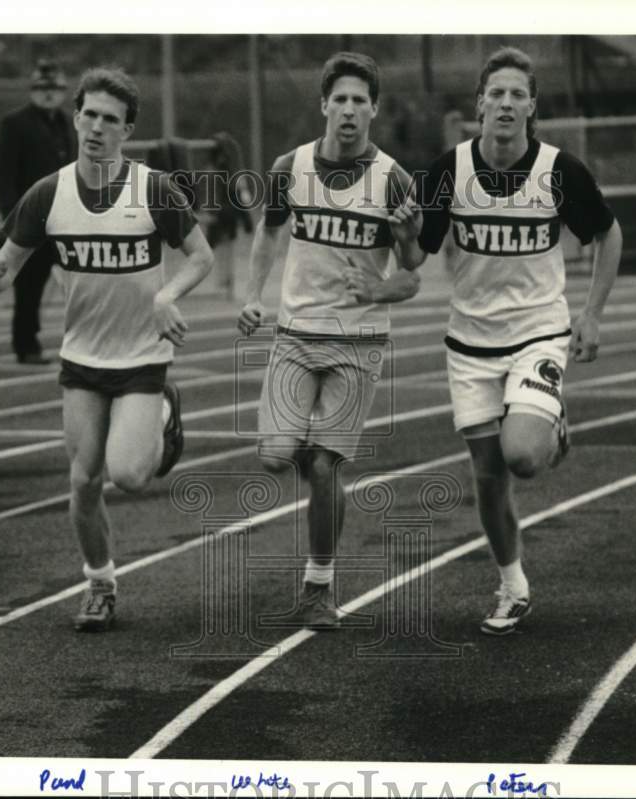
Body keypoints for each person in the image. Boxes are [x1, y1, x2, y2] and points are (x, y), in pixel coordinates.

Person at [397, 46, 623, 635]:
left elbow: (607, 231)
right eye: (494, 92)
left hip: (537, 336)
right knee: (488, 476)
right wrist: (403, 237)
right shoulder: (449, 170)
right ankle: (513, 586)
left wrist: (592, 315)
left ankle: (550, 421)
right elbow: (417, 255)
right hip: (469, 344)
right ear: (479, 104)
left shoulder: (558, 170)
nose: (504, 102)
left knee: (522, 455)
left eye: (516, 93)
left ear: (530, 107)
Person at [0, 67, 214, 632]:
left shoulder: (153, 190)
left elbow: (201, 256)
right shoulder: (49, 194)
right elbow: (7, 267)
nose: (96, 128)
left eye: (111, 120)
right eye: (88, 115)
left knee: (130, 476)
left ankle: (163, 411)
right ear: (76, 118)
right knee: (84, 481)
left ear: (127, 130)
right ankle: (100, 585)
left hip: (142, 359)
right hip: (82, 360)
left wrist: (166, 294)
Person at [237, 52, 423, 630]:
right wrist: (253, 296)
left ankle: (319, 584)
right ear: (323, 106)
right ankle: (318, 467)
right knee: (273, 457)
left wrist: (389, 273)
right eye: (338, 100)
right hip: (294, 335)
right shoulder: (289, 167)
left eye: (358, 101)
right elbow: (268, 236)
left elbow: (413, 272)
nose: (348, 110)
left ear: (373, 110)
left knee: (321, 467)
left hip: (358, 343)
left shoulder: (392, 178)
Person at [0, 59, 77, 365]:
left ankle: (83, 344)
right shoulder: (14, 123)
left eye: (54, 88)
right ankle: (25, 344)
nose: (48, 94)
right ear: (32, 90)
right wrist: (11, 220)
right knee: (28, 287)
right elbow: (3, 175)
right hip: (30, 220)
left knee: (82, 281)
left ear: (64, 91)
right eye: (42, 88)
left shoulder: (69, 122)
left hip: (64, 218)